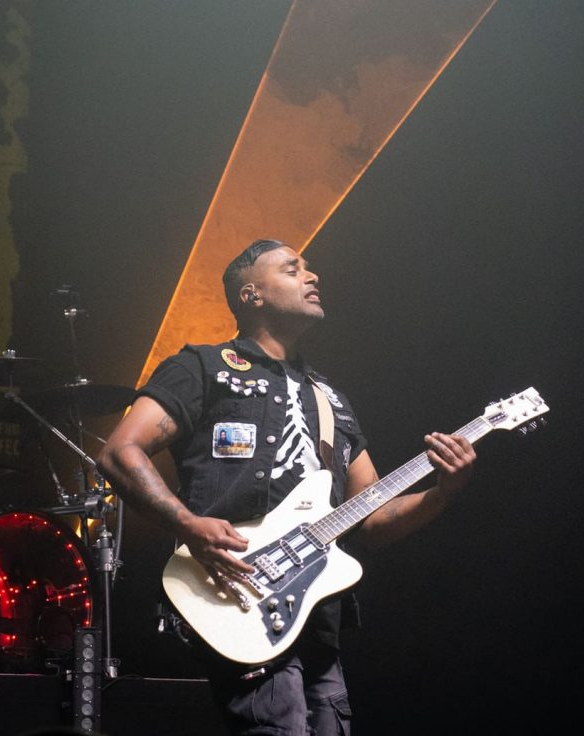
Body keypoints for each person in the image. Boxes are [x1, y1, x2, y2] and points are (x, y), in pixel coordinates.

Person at [97, 238, 476, 736]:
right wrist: (186, 524)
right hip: (235, 593)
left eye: (309, 268)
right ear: (251, 294)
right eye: (292, 269)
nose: (312, 276)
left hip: (316, 616)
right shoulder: (202, 368)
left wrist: (442, 492)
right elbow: (119, 451)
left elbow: (373, 519)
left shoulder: (331, 400)